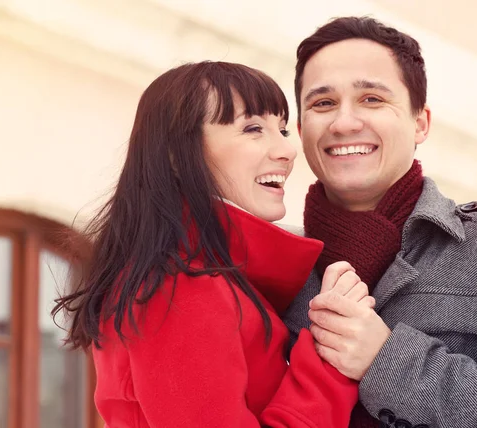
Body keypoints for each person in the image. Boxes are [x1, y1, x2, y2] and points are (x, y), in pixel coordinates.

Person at [282, 16, 477, 428]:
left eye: (372, 99)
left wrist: (387, 360)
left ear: (420, 122)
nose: (344, 122)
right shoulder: (270, 268)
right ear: (301, 130)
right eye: (323, 104)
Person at [52, 61, 375, 427]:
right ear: (177, 154)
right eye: (253, 128)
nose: (287, 149)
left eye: (282, 129)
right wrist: (329, 357)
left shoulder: (198, 277)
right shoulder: (179, 287)